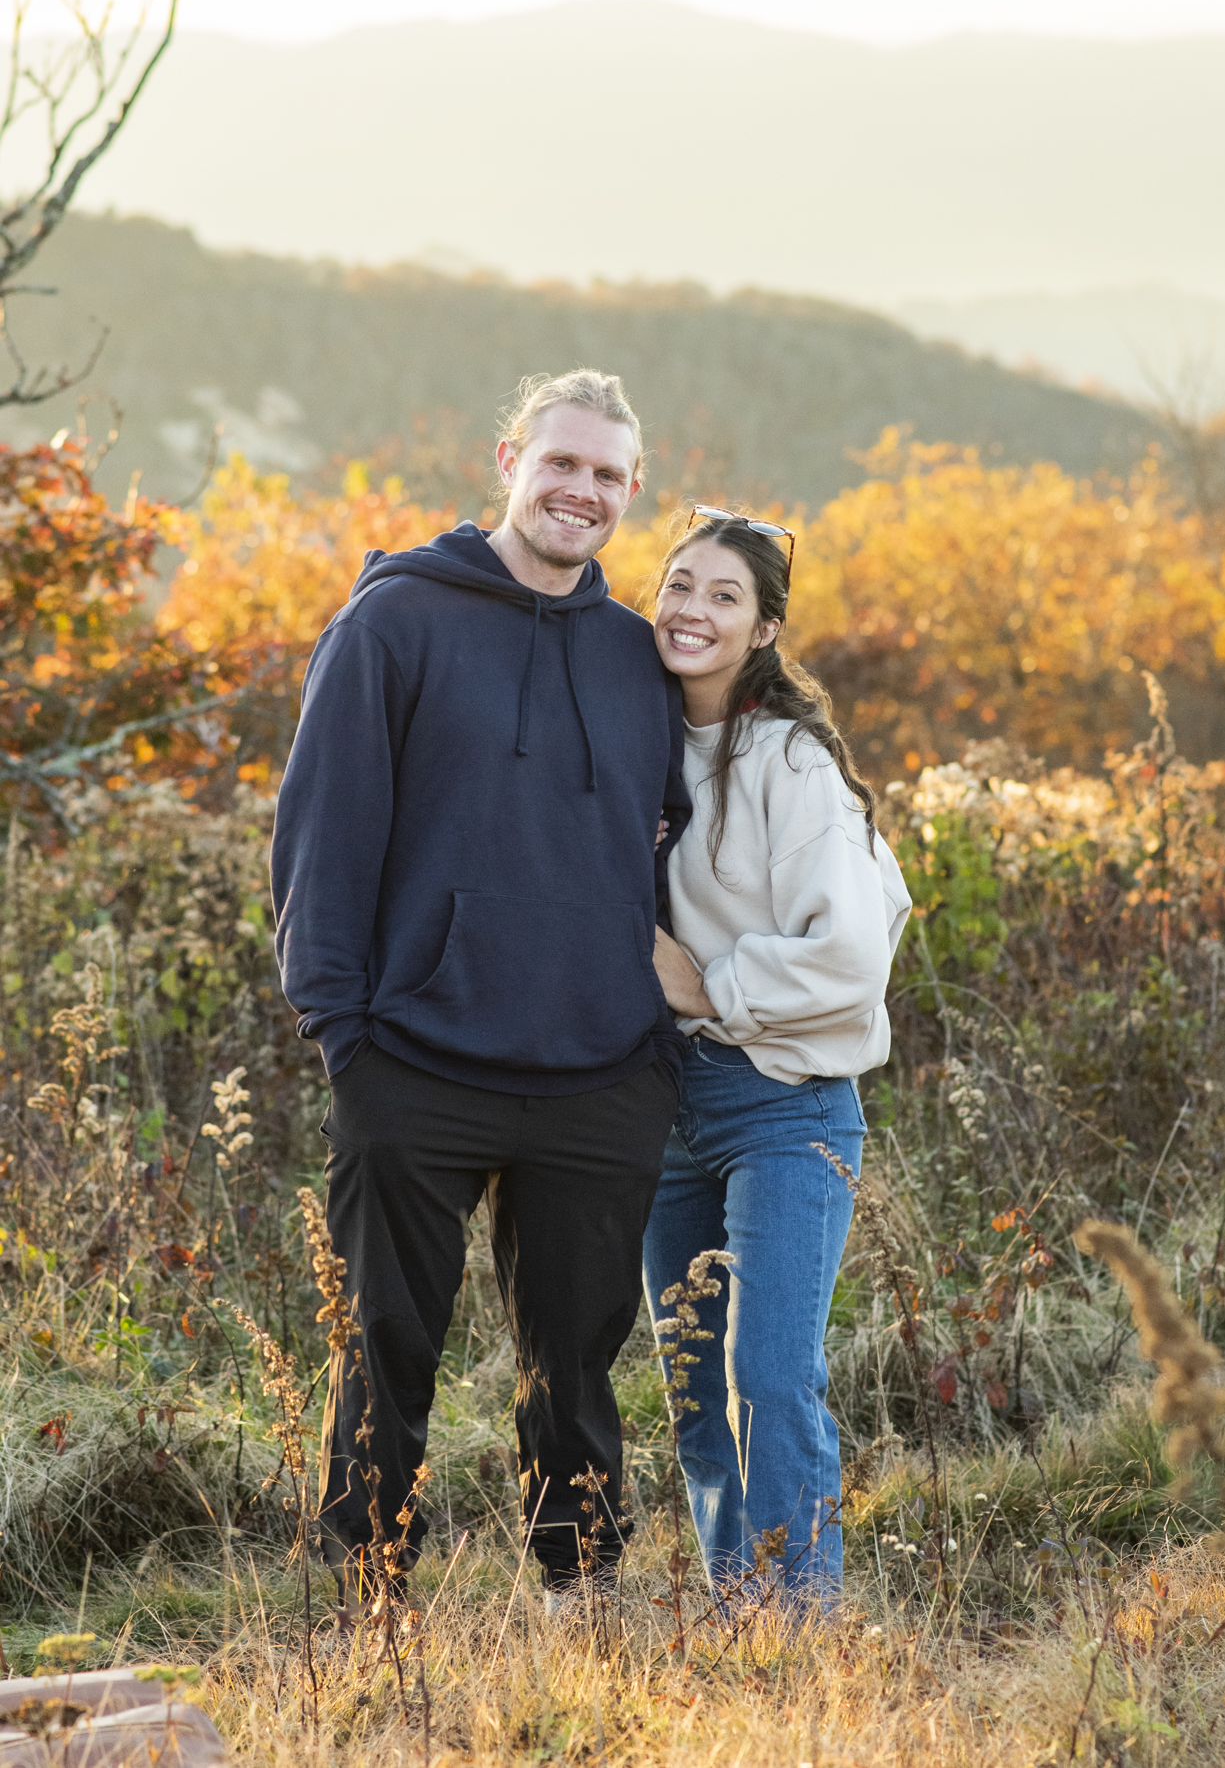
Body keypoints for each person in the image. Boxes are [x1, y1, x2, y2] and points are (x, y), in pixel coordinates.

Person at [271, 369, 689, 1601]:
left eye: (608, 474)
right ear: (508, 458)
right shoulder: (393, 622)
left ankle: (581, 1595)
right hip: (416, 1060)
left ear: (629, 493)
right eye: (562, 462)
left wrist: (660, 1026)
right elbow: (321, 834)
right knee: (385, 1347)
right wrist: (345, 1034)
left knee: (577, 1361)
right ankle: (367, 1600)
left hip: (602, 1068)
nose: (582, 491)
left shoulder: (633, 657)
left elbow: (674, 840)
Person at [643, 507, 911, 1599]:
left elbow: (851, 950)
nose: (691, 610)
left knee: (769, 1374)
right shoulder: (635, 740)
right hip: (663, 1105)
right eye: (678, 584)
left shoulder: (788, 761)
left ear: (762, 629)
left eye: (723, 596)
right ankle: (735, 1614)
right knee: (694, 1384)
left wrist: (713, 987)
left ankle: (798, 1627)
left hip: (786, 1103)